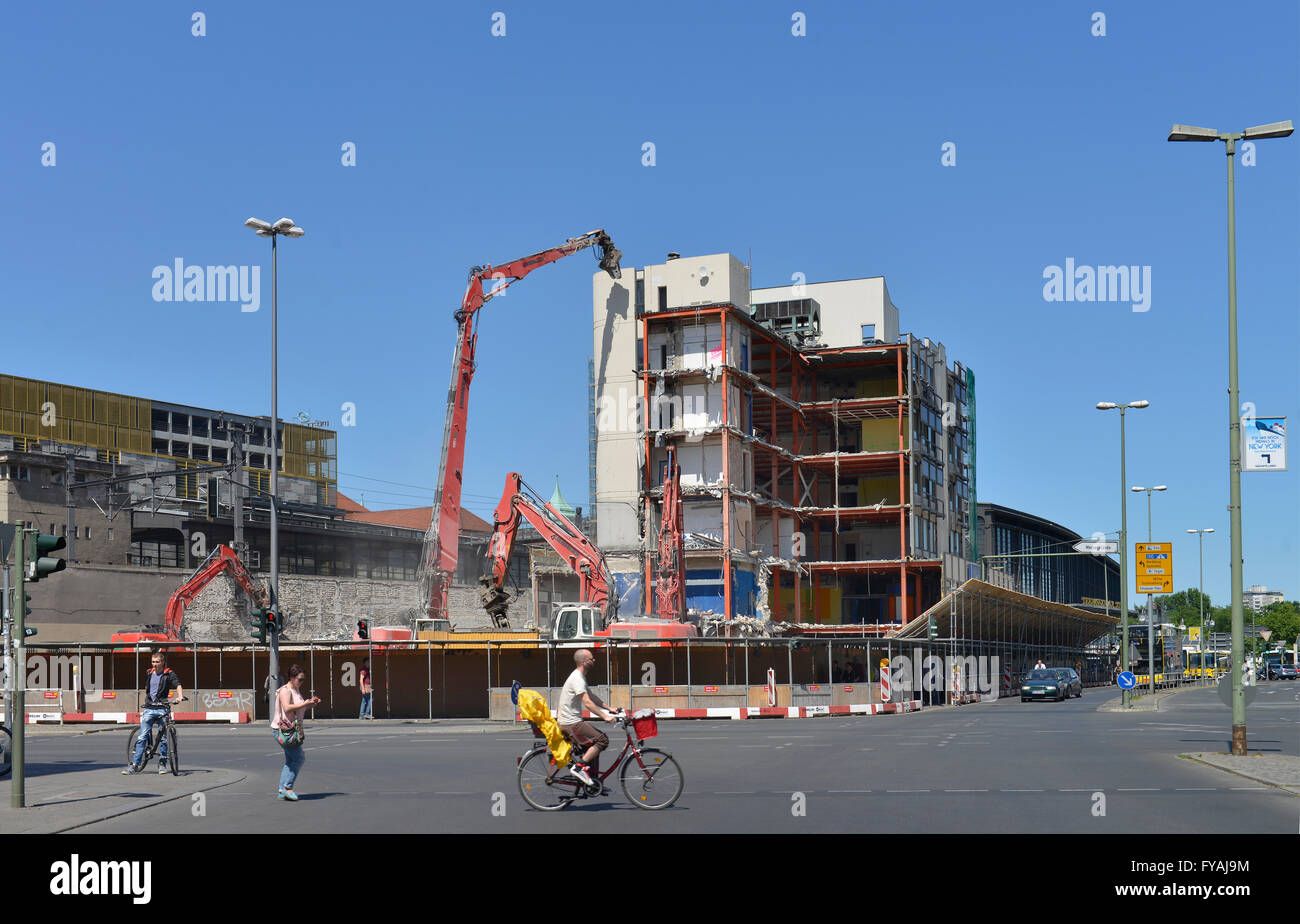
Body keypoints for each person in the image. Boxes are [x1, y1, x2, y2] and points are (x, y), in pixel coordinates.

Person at [557, 649, 619, 787]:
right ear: (584, 662)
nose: (594, 660)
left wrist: (609, 708)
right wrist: (605, 717)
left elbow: (591, 696)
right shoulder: (577, 678)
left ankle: (594, 783)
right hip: (570, 724)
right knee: (602, 740)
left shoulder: (580, 677)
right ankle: (578, 768)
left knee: (593, 745)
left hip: (572, 722)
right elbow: (587, 702)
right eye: (592, 659)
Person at [122, 651, 183, 774]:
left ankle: (162, 764)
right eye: (153, 662)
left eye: (157, 662)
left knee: (163, 738)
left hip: (162, 708)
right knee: (142, 736)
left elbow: (178, 684)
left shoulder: (168, 673)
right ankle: (134, 765)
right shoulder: (149, 672)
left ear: (162, 662)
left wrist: (180, 696)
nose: (155, 664)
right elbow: (148, 688)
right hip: (150, 708)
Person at [272, 665, 320, 801]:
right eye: (300, 679)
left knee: (291, 760)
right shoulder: (285, 690)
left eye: (303, 679)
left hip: (293, 729)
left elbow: (298, 708)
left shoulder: (296, 689)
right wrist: (305, 704)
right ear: (292, 678)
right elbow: (287, 708)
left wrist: (310, 704)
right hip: (283, 730)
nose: (302, 682)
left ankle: (282, 790)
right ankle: (287, 787)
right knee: (299, 758)